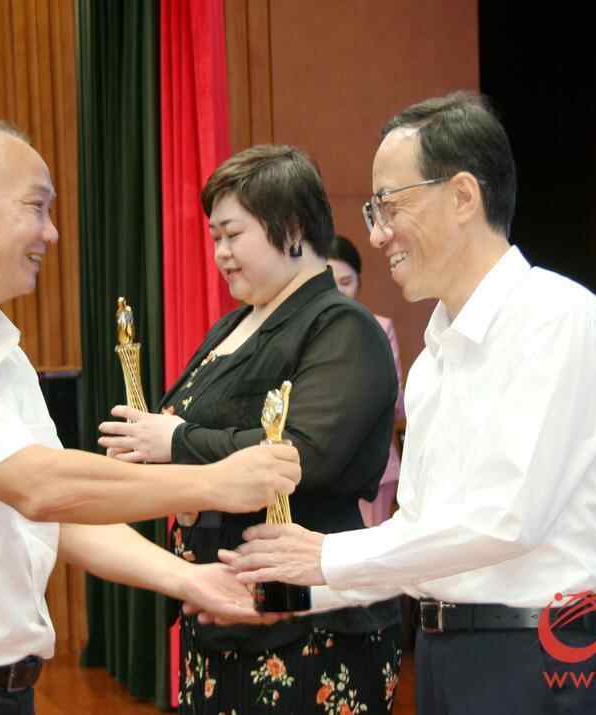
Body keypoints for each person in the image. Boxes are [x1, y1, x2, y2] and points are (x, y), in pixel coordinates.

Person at [0, 117, 300, 715]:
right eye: (35, 207)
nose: (52, 231)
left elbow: (59, 513)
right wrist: (215, 480)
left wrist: (186, 578)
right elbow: (40, 486)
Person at [220, 92, 596, 714]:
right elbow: (418, 540)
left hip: (537, 658)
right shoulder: (433, 356)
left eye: (389, 206)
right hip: (443, 655)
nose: (376, 233)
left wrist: (327, 554)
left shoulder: (557, 318)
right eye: (373, 210)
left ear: (463, 196)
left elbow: (505, 519)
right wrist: (284, 593)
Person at [98, 145, 403, 714]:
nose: (220, 253)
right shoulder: (234, 324)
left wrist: (175, 442)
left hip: (307, 628)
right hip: (222, 614)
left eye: (233, 235)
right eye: (215, 237)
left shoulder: (343, 327)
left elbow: (303, 455)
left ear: (292, 228)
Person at [327, 235, 404, 527]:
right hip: (321, 467)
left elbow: (396, 403)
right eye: (329, 282)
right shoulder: (307, 332)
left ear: (359, 281)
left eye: (346, 282)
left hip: (374, 466)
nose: (338, 291)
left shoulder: (380, 328)